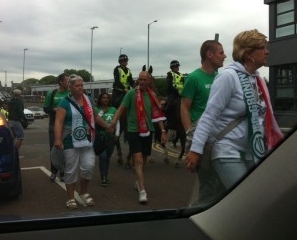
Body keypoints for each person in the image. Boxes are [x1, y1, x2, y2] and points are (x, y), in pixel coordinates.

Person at [186, 29, 283, 192]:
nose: (267, 51)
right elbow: (209, 116)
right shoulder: (228, 77)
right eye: (262, 47)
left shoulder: (258, 79)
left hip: (252, 151)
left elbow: (261, 117)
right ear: (248, 53)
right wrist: (195, 150)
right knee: (246, 196)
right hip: (227, 150)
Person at [180, 39, 227, 206]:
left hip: (220, 138)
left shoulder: (221, 77)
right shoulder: (194, 78)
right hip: (202, 140)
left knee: (222, 185)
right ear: (209, 54)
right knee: (208, 187)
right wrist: (190, 137)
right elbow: (184, 108)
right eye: (221, 53)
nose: (225, 56)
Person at [109, 71, 167, 204]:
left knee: (144, 159)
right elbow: (121, 109)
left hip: (148, 130)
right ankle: (142, 191)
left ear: (149, 81)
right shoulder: (131, 93)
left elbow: (157, 115)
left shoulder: (152, 96)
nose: (141, 82)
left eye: (144, 80)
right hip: (133, 130)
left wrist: (163, 131)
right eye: (139, 79)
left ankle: (138, 181)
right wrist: (113, 122)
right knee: (138, 160)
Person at [54, 74, 111, 209]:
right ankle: (70, 197)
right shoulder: (64, 102)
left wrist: (107, 126)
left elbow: (95, 117)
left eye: (82, 85)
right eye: (77, 86)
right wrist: (57, 139)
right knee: (71, 169)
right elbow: (59, 121)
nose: (81, 88)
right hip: (70, 140)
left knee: (89, 166)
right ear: (70, 87)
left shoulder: (89, 100)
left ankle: (84, 192)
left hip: (87, 139)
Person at [43, 73, 70, 182]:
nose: (68, 83)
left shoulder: (70, 94)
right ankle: (53, 172)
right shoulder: (52, 93)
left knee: (66, 149)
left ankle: (63, 172)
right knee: (54, 148)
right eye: (67, 81)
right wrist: (54, 110)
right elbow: (45, 108)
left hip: (67, 125)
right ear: (61, 82)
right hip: (53, 124)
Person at [95, 92, 120, 186]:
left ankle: (105, 173)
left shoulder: (114, 109)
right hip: (100, 137)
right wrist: (102, 112)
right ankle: (103, 176)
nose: (105, 99)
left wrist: (117, 134)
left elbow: (118, 122)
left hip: (111, 138)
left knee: (107, 157)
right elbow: (96, 121)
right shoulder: (97, 110)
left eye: (107, 98)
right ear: (100, 99)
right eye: (103, 98)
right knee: (103, 157)